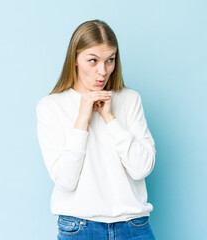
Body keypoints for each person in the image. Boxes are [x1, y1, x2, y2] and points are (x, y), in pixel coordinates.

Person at [36, 19, 156, 240]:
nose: (102, 71)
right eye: (93, 60)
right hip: (79, 228)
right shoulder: (51, 106)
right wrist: (83, 117)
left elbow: (141, 168)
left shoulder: (129, 100)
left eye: (110, 60)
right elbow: (66, 179)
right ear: (74, 60)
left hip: (133, 226)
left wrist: (110, 118)